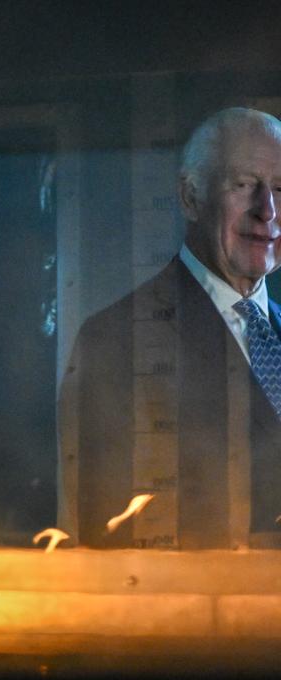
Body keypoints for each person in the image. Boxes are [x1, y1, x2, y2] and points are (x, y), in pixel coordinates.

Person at [60, 107, 281, 549]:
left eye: (280, 188)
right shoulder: (116, 341)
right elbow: (110, 541)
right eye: (243, 185)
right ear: (189, 197)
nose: (268, 211)